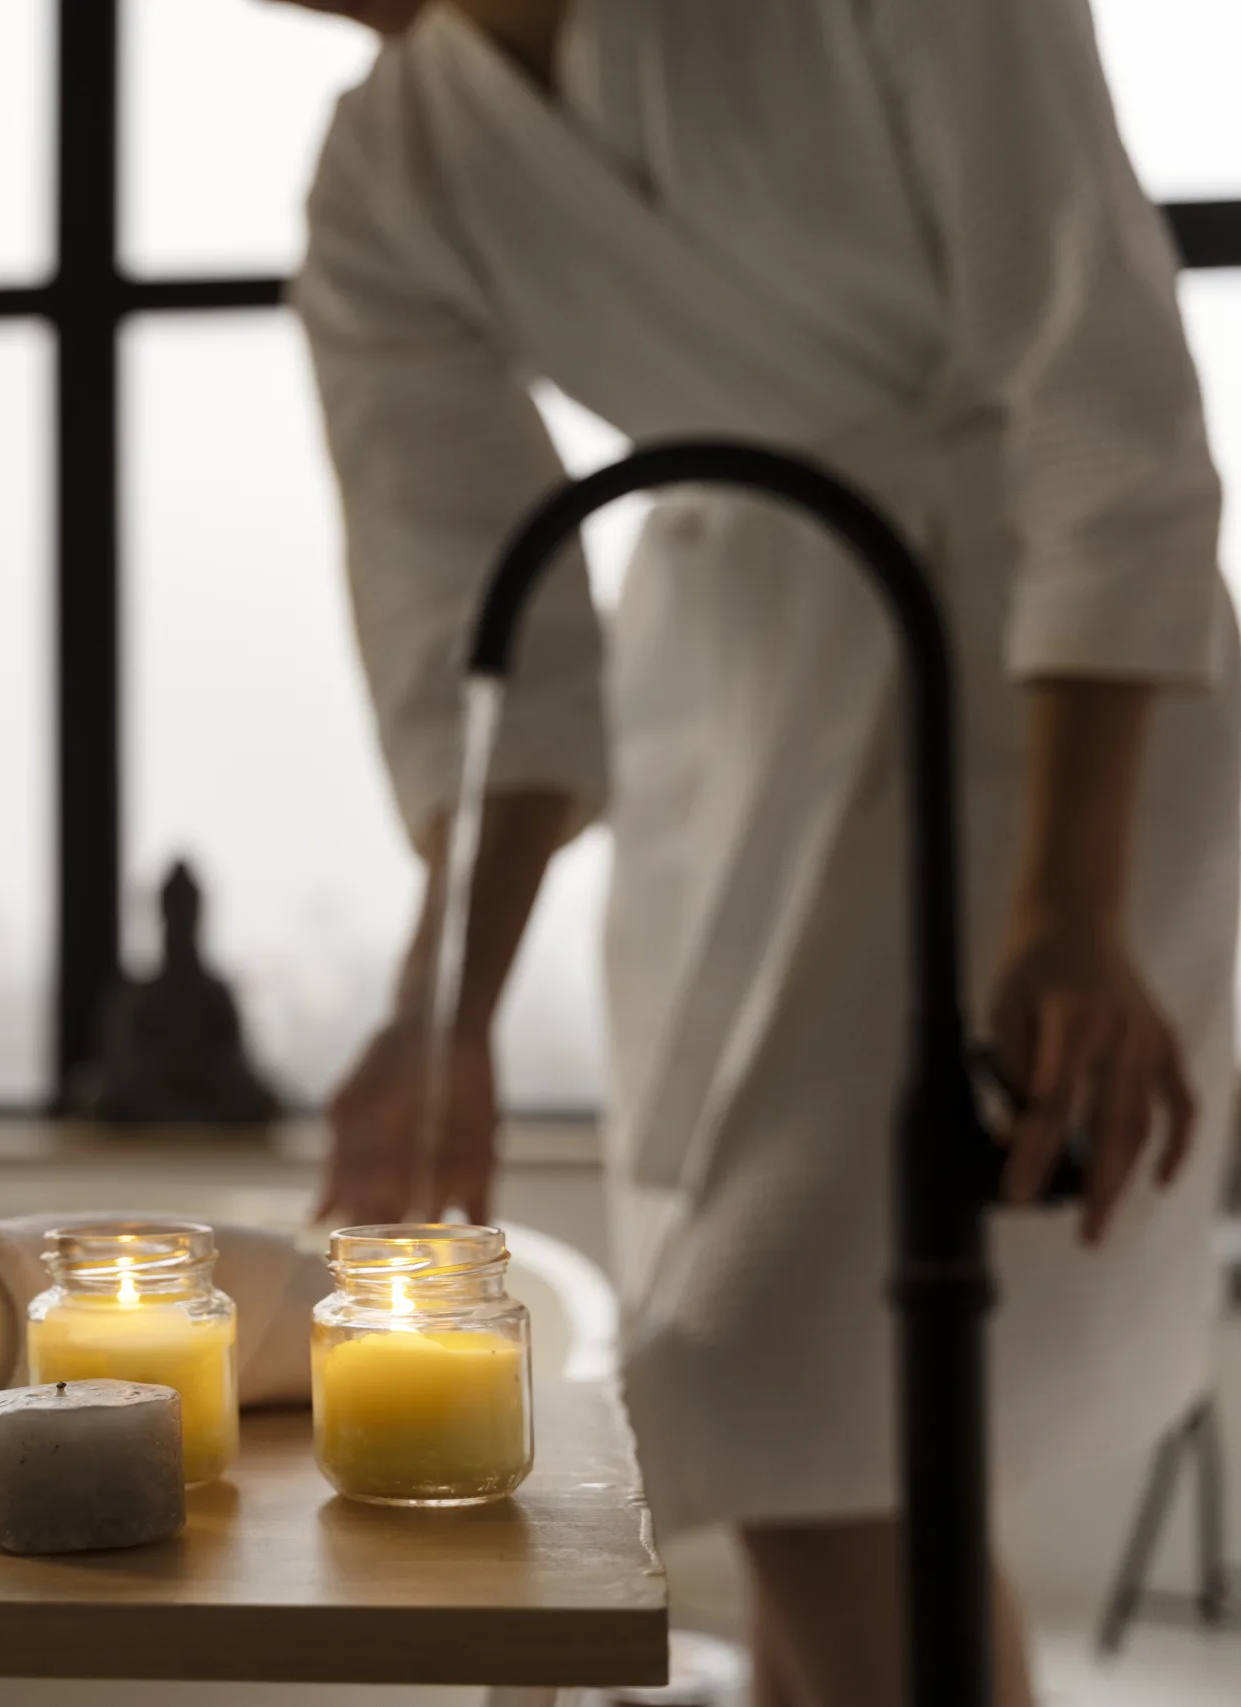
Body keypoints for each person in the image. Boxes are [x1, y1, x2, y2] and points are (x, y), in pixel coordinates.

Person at [286, 2, 1237, 1703]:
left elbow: (1106, 387)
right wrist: (452, 1006)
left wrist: (1076, 903)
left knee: (796, 1378)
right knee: (851, 1446)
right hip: (737, 715)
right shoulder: (389, 174)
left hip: (1053, 701)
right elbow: (480, 635)